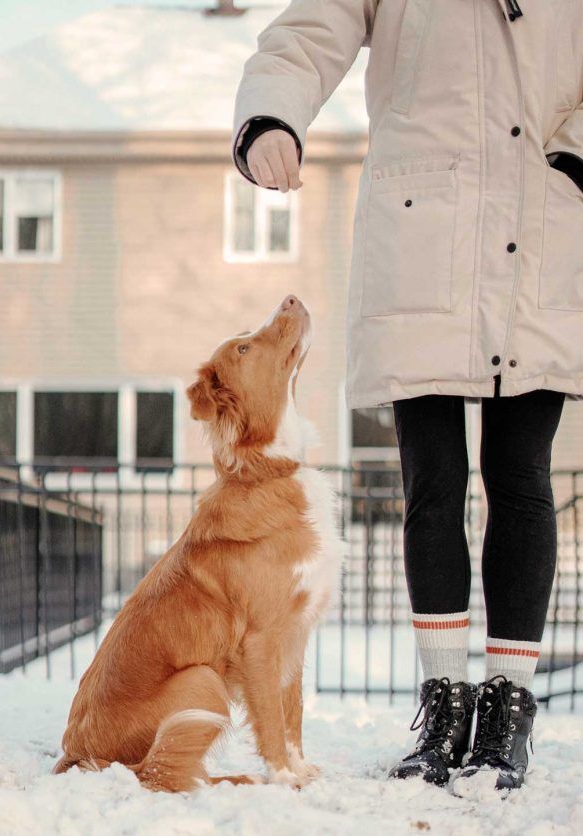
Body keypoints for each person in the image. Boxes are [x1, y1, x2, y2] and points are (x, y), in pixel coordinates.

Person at [231, 0, 583, 794]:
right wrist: (270, 118)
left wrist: (576, 154)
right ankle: (445, 701)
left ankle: (509, 709)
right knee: (433, 480)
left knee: (521, 476)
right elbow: (308, 33)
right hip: (424, 237)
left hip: (543, 228)